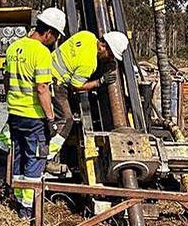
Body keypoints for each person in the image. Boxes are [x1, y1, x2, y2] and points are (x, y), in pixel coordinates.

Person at [4, 8, 67, 219]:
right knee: (35, 159)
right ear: (48, 32)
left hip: (15, 114)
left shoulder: (14, 47)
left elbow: (6, 80)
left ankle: (17, 199)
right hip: (34, 117)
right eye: (56, 36)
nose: (54, 40)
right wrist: (51, 119)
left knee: (18, 158)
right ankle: (28, 210)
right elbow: (42, 88)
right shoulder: (41, 53)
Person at [48, 30, 130, 162]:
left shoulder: (87, 35)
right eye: (110, 54)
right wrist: (99, 81)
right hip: (54, 83)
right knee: (66, 120)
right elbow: (76, 86)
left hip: (46, 70)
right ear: (103, 46)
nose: (109, 58)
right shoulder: (89, 63)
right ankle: (48, 157)